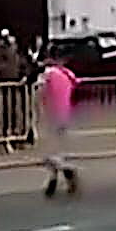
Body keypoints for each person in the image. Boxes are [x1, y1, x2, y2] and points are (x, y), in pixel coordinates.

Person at [39, 47, 80, 197]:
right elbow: (75, 84)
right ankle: (54, 180)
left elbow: (40, 90)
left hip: (51, 114)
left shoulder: (48, 74)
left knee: (51, 152)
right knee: (58, 149)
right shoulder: (67, 73)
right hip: (65, 113)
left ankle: (64, 174)